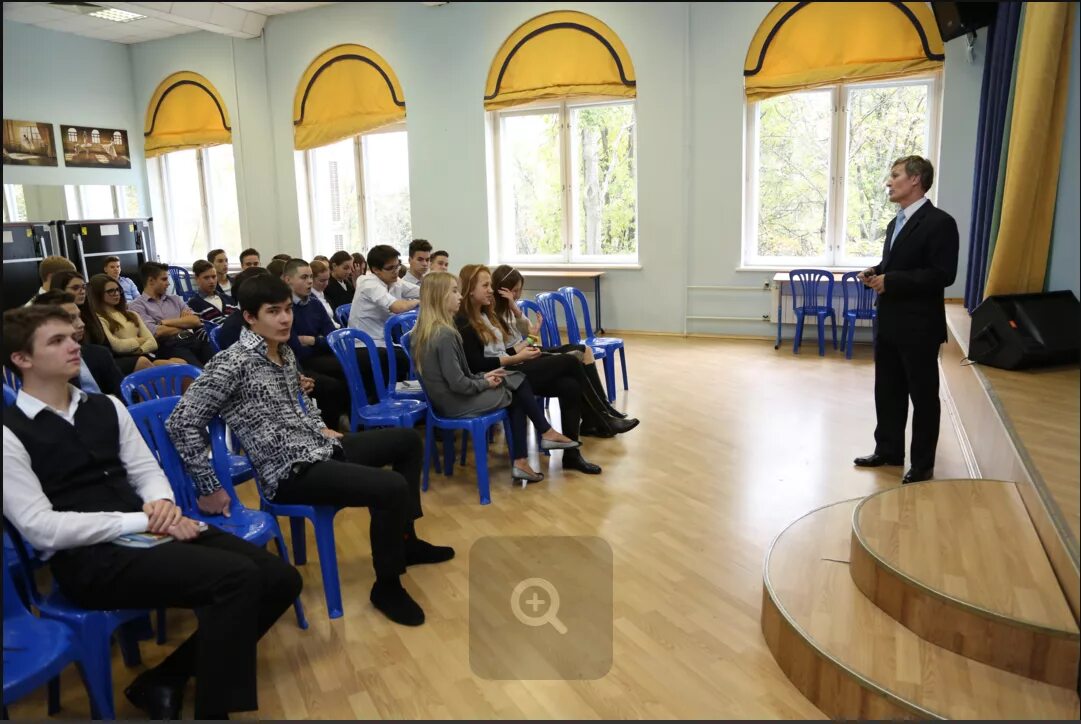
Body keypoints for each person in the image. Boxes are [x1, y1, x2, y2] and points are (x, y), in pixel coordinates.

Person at [2, 306, 302, 720]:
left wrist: (161, 503)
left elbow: (145, 470)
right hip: (90, 559)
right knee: (237, 578)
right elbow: (42, 529)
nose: (75, 345)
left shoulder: (105, 405)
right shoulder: (8, 432)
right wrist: (145, 520)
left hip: (149, 530)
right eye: (57, 341)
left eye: (72, 336)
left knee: (280, 578)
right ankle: (212, 711)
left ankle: (167, 678)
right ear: (22, 359)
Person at [165, 275, 454, 627]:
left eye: (287, 310)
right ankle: (388, 585)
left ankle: (405, 539)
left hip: (320, 448)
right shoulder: (232, 362)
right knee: (389, 487)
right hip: (289, 471)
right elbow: (181, 422)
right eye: (274, 312)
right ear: (249, 317)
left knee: (408, 441)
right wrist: (208, 485)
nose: (285, 319)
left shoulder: (283, 352)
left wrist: (318, 424)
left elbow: (301, 402)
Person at [457, 266, 634, 474]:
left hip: (514, 366)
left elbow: (503, 349)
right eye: (485, 286)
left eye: (490, 285)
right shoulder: (465, 322)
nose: (490, 290)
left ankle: (572, 455)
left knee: (570, 386)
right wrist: (517, 356)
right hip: (506, 376)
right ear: (470, 289)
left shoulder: (485, 315)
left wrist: (525, 344)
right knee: (571, 362)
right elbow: (478, 365)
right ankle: (602, 418)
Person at [413, 272, 581, 484]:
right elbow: (458, 383)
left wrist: (485, 376)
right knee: (518, 383)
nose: (459, 296)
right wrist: (483, 381)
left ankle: (525, 457)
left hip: (449, 398)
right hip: (455, 402)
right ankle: (542, 437)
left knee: (515, 382)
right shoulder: (445, 334)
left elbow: (458, 375)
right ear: (439, 297)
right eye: (454, 291)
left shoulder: (423, 330)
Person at [854, 155, 959, 484]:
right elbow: (896, 263)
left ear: (915, 180)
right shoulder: (894, 223)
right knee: (887, 391)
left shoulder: (940, 223)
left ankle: (922, 464)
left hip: (919, 327)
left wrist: (893, 281)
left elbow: (943, 274)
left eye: (895, 175)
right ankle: (888, 450)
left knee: (923, 397)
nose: (889, 181)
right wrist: (876, 271)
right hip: (888, 322)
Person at [490, 264, 633, 427]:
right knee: (573, 361)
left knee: (585, 350)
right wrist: (529, 339)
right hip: (520, 359)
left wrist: (515, 310)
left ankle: (604, 409)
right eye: (514, 290)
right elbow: (515, 346)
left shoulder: (510, 308)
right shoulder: (493, 314)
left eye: (519, 290)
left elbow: (529, 330)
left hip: (527, 351)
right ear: (502, 289)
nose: (517, 295)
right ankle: (601, 415)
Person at [281, 258, 350, 427]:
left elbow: (332, 338)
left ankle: (351, 417)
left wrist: (314, 341)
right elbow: (296, 348)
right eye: (304, 277)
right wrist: (321, 343)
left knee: (353, 367)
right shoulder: (285, 308)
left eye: (311, 276)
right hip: (299, 364)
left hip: (319, 355)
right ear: (288, 280)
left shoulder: (314, 303)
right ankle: (331, 428)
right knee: (334, 383)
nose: (310, 281)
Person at [348, 245, 419, 383]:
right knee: (409, 359)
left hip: (382, 343)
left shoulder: (394, 281)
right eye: (390, 268)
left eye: (397, 265)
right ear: (375, 270)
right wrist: (418, 302)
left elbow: (422, 290)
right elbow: (397, 307)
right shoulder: (369, 283)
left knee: (417, 354)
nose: (396, 271)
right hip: (363, 346)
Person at [31, 290, 122, 396]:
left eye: (79, 316)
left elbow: (124, 394)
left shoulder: (99, 354)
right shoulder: (43, 369)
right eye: (71, 319)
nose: (81, 324)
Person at [90, 273, 185, 374]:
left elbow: (152, 343)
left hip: (143, 354)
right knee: (151, 366)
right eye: (110, 291)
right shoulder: (99, 318)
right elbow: (117, 346)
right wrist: (140, 340)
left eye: (118, 290)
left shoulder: (131, 314)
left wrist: (139, 350)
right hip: (124, 360)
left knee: (180, 363)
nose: (116, 293)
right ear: (98, 294)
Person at [130, 262, 214, 366]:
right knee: (200, 373)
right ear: (151, 281)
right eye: (164, 279)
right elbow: (157, 332)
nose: (168, 283)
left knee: (219, 366)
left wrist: (164, 322)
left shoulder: (175, 299)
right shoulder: (137, 306)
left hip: (193, 339)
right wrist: (183, 324)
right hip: (169, 346)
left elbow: (196, 321)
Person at [51, 270, 108, 347]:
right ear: (61, 290)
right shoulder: (53, 319)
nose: (82, 292)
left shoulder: (89, 312)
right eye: (75, 288)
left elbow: (102, 341)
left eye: (84, 287)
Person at [188, 259, 237, 325]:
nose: (211, 281)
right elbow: (199, 331)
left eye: (214, 277)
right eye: (206, 278)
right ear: (197, 279)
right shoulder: (194, 304)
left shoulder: (228, 299)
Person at [310, 259, 340, 327]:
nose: (326, 284)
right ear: (311, 279)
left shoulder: (322, 293)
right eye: (322, 281)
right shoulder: (310, 298)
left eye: (327, 279)